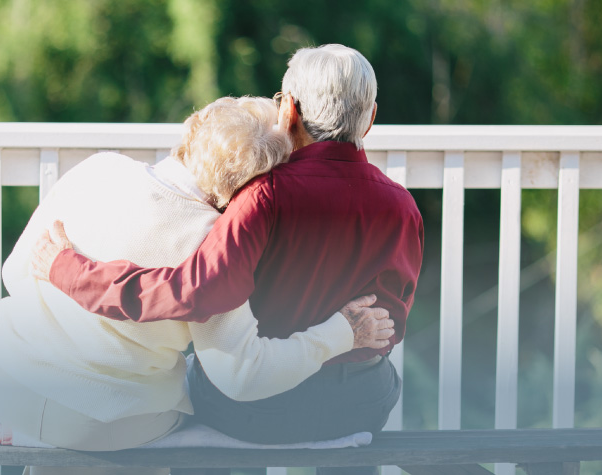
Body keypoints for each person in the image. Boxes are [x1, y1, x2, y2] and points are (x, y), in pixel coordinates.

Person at [32, 44, 425, 475]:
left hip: (258, 413)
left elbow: (192, 291)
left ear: (288, 111)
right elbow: (389, 326)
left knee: (203, 374)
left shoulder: (264, 196)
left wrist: (69, 270)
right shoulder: (403, 206)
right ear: (370, 120)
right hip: (358, 405)